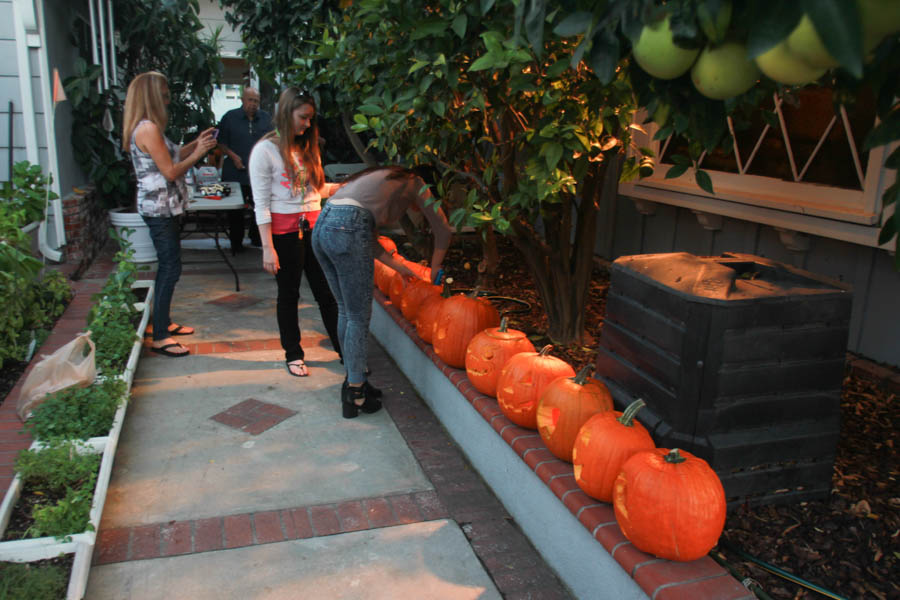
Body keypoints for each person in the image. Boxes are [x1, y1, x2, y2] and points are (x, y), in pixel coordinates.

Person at [311, 166, 452, 418]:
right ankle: (356, 393)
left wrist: (402, 268)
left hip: (323, 223)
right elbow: (442, 228)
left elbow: (366, 241)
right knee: (357, 316)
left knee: (346, 310)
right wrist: (436, 266)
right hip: (344, 229)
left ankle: (353, 381)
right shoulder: (414, 181)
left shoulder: (381, 181)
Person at [249, 87, 344, 378]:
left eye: (310, 119)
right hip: (284, 233)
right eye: (303, 117)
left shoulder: (309, 146)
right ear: (286, 113)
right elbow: (261, 203)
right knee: (289, 295)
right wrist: (267, 247)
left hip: (316, 229)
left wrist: (341, 188)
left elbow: (314, 191)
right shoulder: (265, 151)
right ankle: (293, 353)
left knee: (327, 294)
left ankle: (345, 350)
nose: (307, 124)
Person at [122, 71, 217, 357]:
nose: (168, 97)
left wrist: (196, 143)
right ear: (151, 95)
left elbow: (172, 156)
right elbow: (171, 171)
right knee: (169, 268)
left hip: (163, 207)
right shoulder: (147, 128)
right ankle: (160, 336)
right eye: (163, 93)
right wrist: (199, 152)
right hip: (159, 210)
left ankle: (164, 322)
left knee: (169, 267)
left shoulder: (148, 128)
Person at [216, 86, 273, 253]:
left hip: (258, 173)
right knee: (235, 210)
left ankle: (257, 239)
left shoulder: (266, 118)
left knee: (261, 205)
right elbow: (220, 142)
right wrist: (233, 156)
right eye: (250, 100)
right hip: (235, 171)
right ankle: (236, 243)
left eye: (256, 101)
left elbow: (272, 140)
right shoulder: (230, 117)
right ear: (242, 99)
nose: (253, 104)